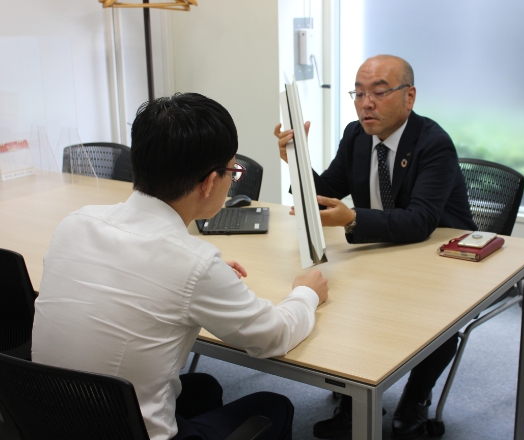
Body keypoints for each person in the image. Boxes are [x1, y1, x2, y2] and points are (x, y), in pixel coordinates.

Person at [32, 93, 329, 440]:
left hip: (54, 420)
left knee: (203, 387)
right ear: (207, 183)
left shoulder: (75, 223)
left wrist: (208, 275)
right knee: (274, 406)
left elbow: (145, 273)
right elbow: (272, 337)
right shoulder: (194, 264)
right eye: (232, 172)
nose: (232, 181)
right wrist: (306, 292)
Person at [274, 55, 476, 439]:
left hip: (439, 256)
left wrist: (351, 219)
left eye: (379, 93)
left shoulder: (434, 143)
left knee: (437, 321)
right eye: (359, 93)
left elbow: (419, 220)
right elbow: (326, 193)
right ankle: (354, 399)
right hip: (381, 248)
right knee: (340, 296)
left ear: (409, 96)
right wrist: (294, 159)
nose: (366, 103)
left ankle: (416, 397)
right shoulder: (355, 135)